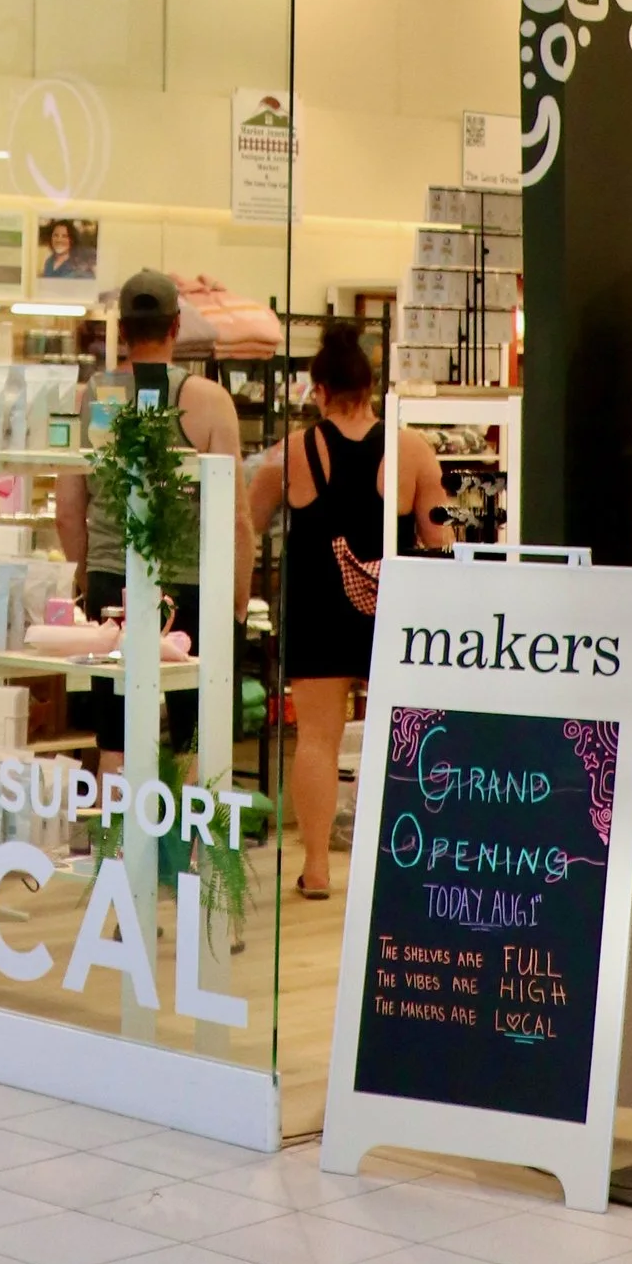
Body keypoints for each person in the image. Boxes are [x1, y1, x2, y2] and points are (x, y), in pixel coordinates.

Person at [244, 323, 451, 902]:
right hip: (394, 607)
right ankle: (401, 860)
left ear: (318, 389)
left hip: (316, 606)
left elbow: (247, 525)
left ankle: (316, 868)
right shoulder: (411, 449)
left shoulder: (290, 454)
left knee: (316, 738)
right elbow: (440, 536)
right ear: (372, 387)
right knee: (399, 736)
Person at [54, 272, 249, 751]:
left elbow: (68, 508)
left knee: (114, 734)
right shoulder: (208, 401)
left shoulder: (94, 398)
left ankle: (116, 826)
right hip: (187, 584)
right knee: (194, 735)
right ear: (176, 326)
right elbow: (236, 518)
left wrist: (88, 576)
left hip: (108, 576)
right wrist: (238, 601)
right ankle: (187, 825)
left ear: (121, 329)